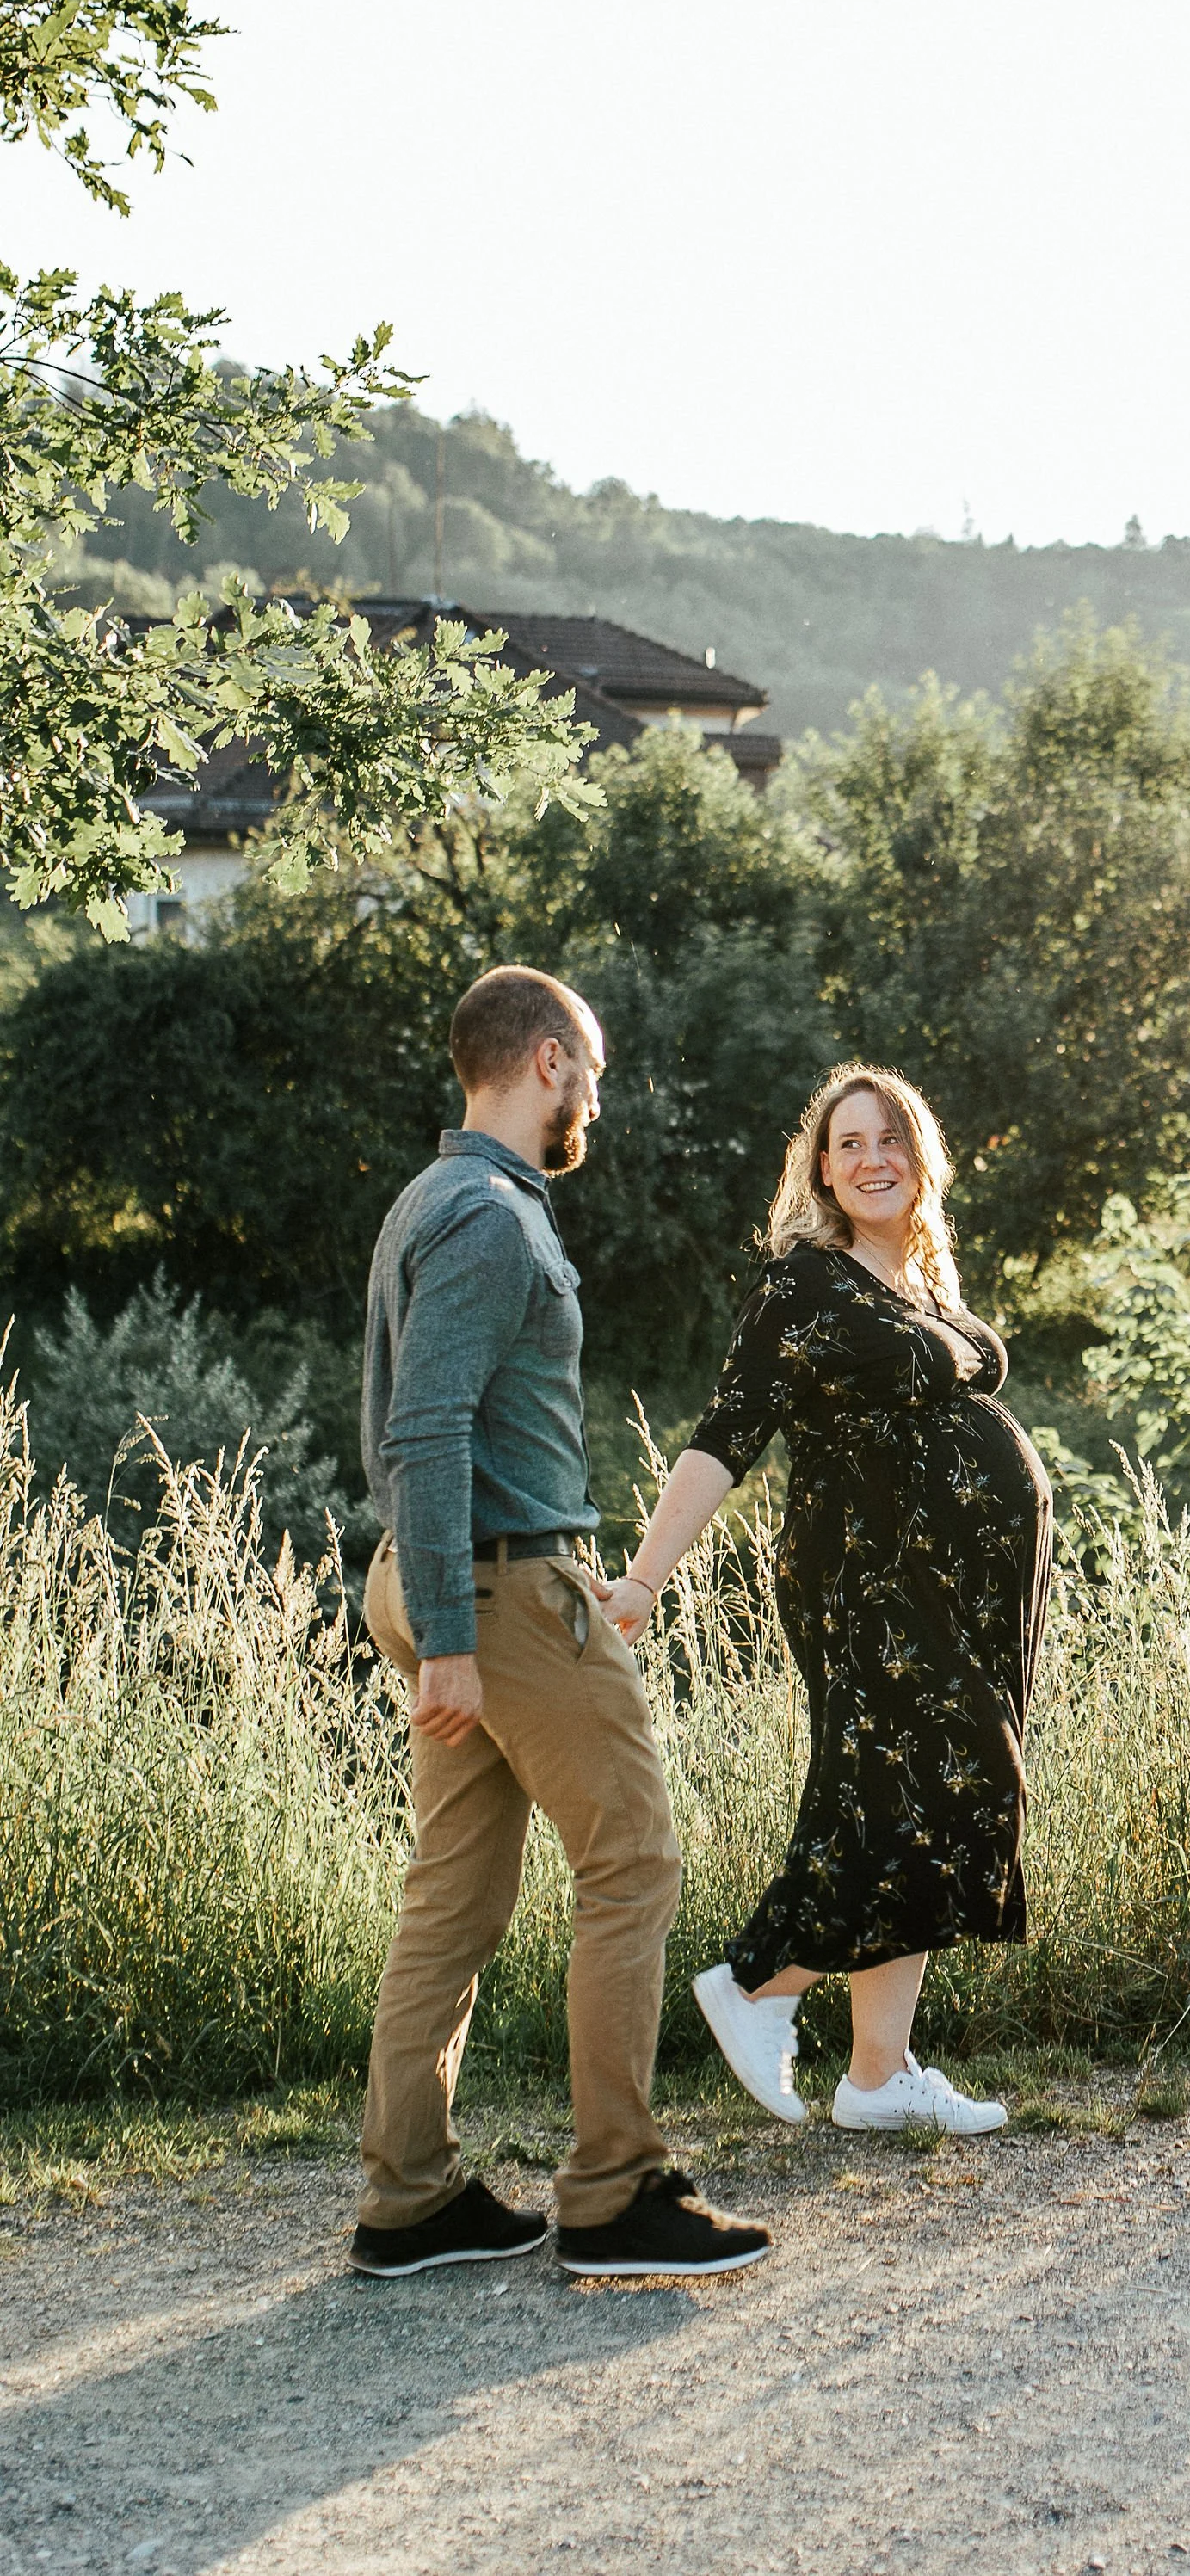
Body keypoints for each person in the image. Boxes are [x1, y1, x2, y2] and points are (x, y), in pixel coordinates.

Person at [348, 964, 770, 2280]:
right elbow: (427, 1429)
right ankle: (612, 2193)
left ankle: (410, 2200)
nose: (594, 1094)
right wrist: (458, 1640)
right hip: (496, 1593)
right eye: (589, 1068)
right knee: (632, 1861)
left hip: (455, 1581)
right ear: (545, 1062)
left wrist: (457, 1613)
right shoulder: (488, 1216)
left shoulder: (435, 1197)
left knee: (455, 1899)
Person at [598, 1063, 1052, 2135]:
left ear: (921, 1157)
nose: (870, 1157)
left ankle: (876, 2077)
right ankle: (759, 1982)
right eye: (848, 1142)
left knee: (902, 1796)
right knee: (931, 1790)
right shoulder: (803, 1284)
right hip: (871, 1582)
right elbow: (725, 1433)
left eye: (889, 1138)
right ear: (820, 1169)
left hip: (953, 1589)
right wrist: (646, 1576)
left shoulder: (918, 1279)